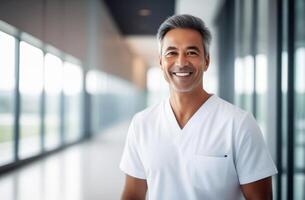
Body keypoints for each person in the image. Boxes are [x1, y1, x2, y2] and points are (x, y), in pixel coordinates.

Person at [119, 14, 277, 200]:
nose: (181, 62)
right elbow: (133, 193)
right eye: (171, 53)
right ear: (161, 62)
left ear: (206, 61)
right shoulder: (142, 123)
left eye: (192, 52)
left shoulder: (239, 123)